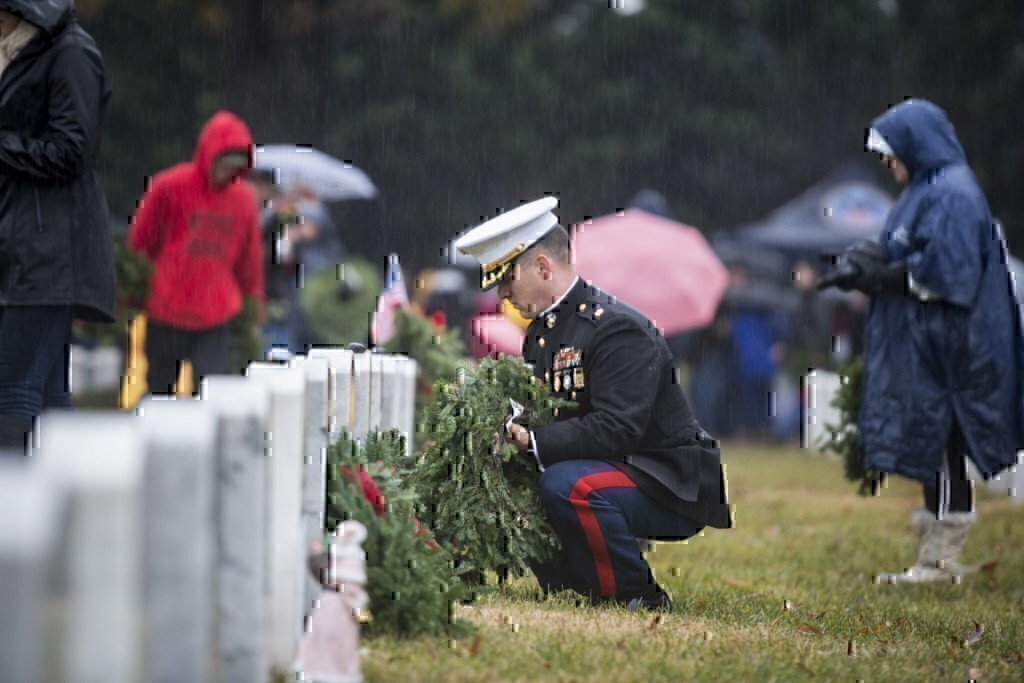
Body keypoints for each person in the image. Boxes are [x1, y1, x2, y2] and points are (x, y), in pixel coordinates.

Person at [455, 197, 731, 611]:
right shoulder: (542, 334)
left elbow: (618, 429)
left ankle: (635, 594)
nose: (504, 294)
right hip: (611, 467)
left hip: (666, 478)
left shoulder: (617, 329)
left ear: (544, 268)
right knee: (519, 477)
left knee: (567, 484)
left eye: (507, 280)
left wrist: (532, 439)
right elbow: (552, 412)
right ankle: (573, 585)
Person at [817, 99, 1023, 583]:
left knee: (945, 440)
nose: (886, 164)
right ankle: (934, 538)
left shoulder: (952, 193)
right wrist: (865, 261)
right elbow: (900, 249)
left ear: (914, 144)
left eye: (889, 153)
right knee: (931, 439)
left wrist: (889, 278)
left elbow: (950, 274)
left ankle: (942, 556)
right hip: (927, 346)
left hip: (953, 349)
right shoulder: (923, 190)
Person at [0, 0, 115, 452]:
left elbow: (71, 150)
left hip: (50, 253)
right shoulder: (19, 52)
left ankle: (12, 505)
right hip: (26, 249)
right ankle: (73, 505)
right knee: (46, 394)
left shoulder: (69, 53)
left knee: (12, 389)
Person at [128, 110, 263, 395]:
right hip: (166, 306)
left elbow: (249, 260)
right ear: (208, 154)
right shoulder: (168, 187)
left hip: (217, 312)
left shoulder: (243, 200)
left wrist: (254, 310)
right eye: (224, 161)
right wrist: (130, 295)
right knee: (159, 392)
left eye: (236, 164)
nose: (228, 171)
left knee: (213, 392)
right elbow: (141, 244)